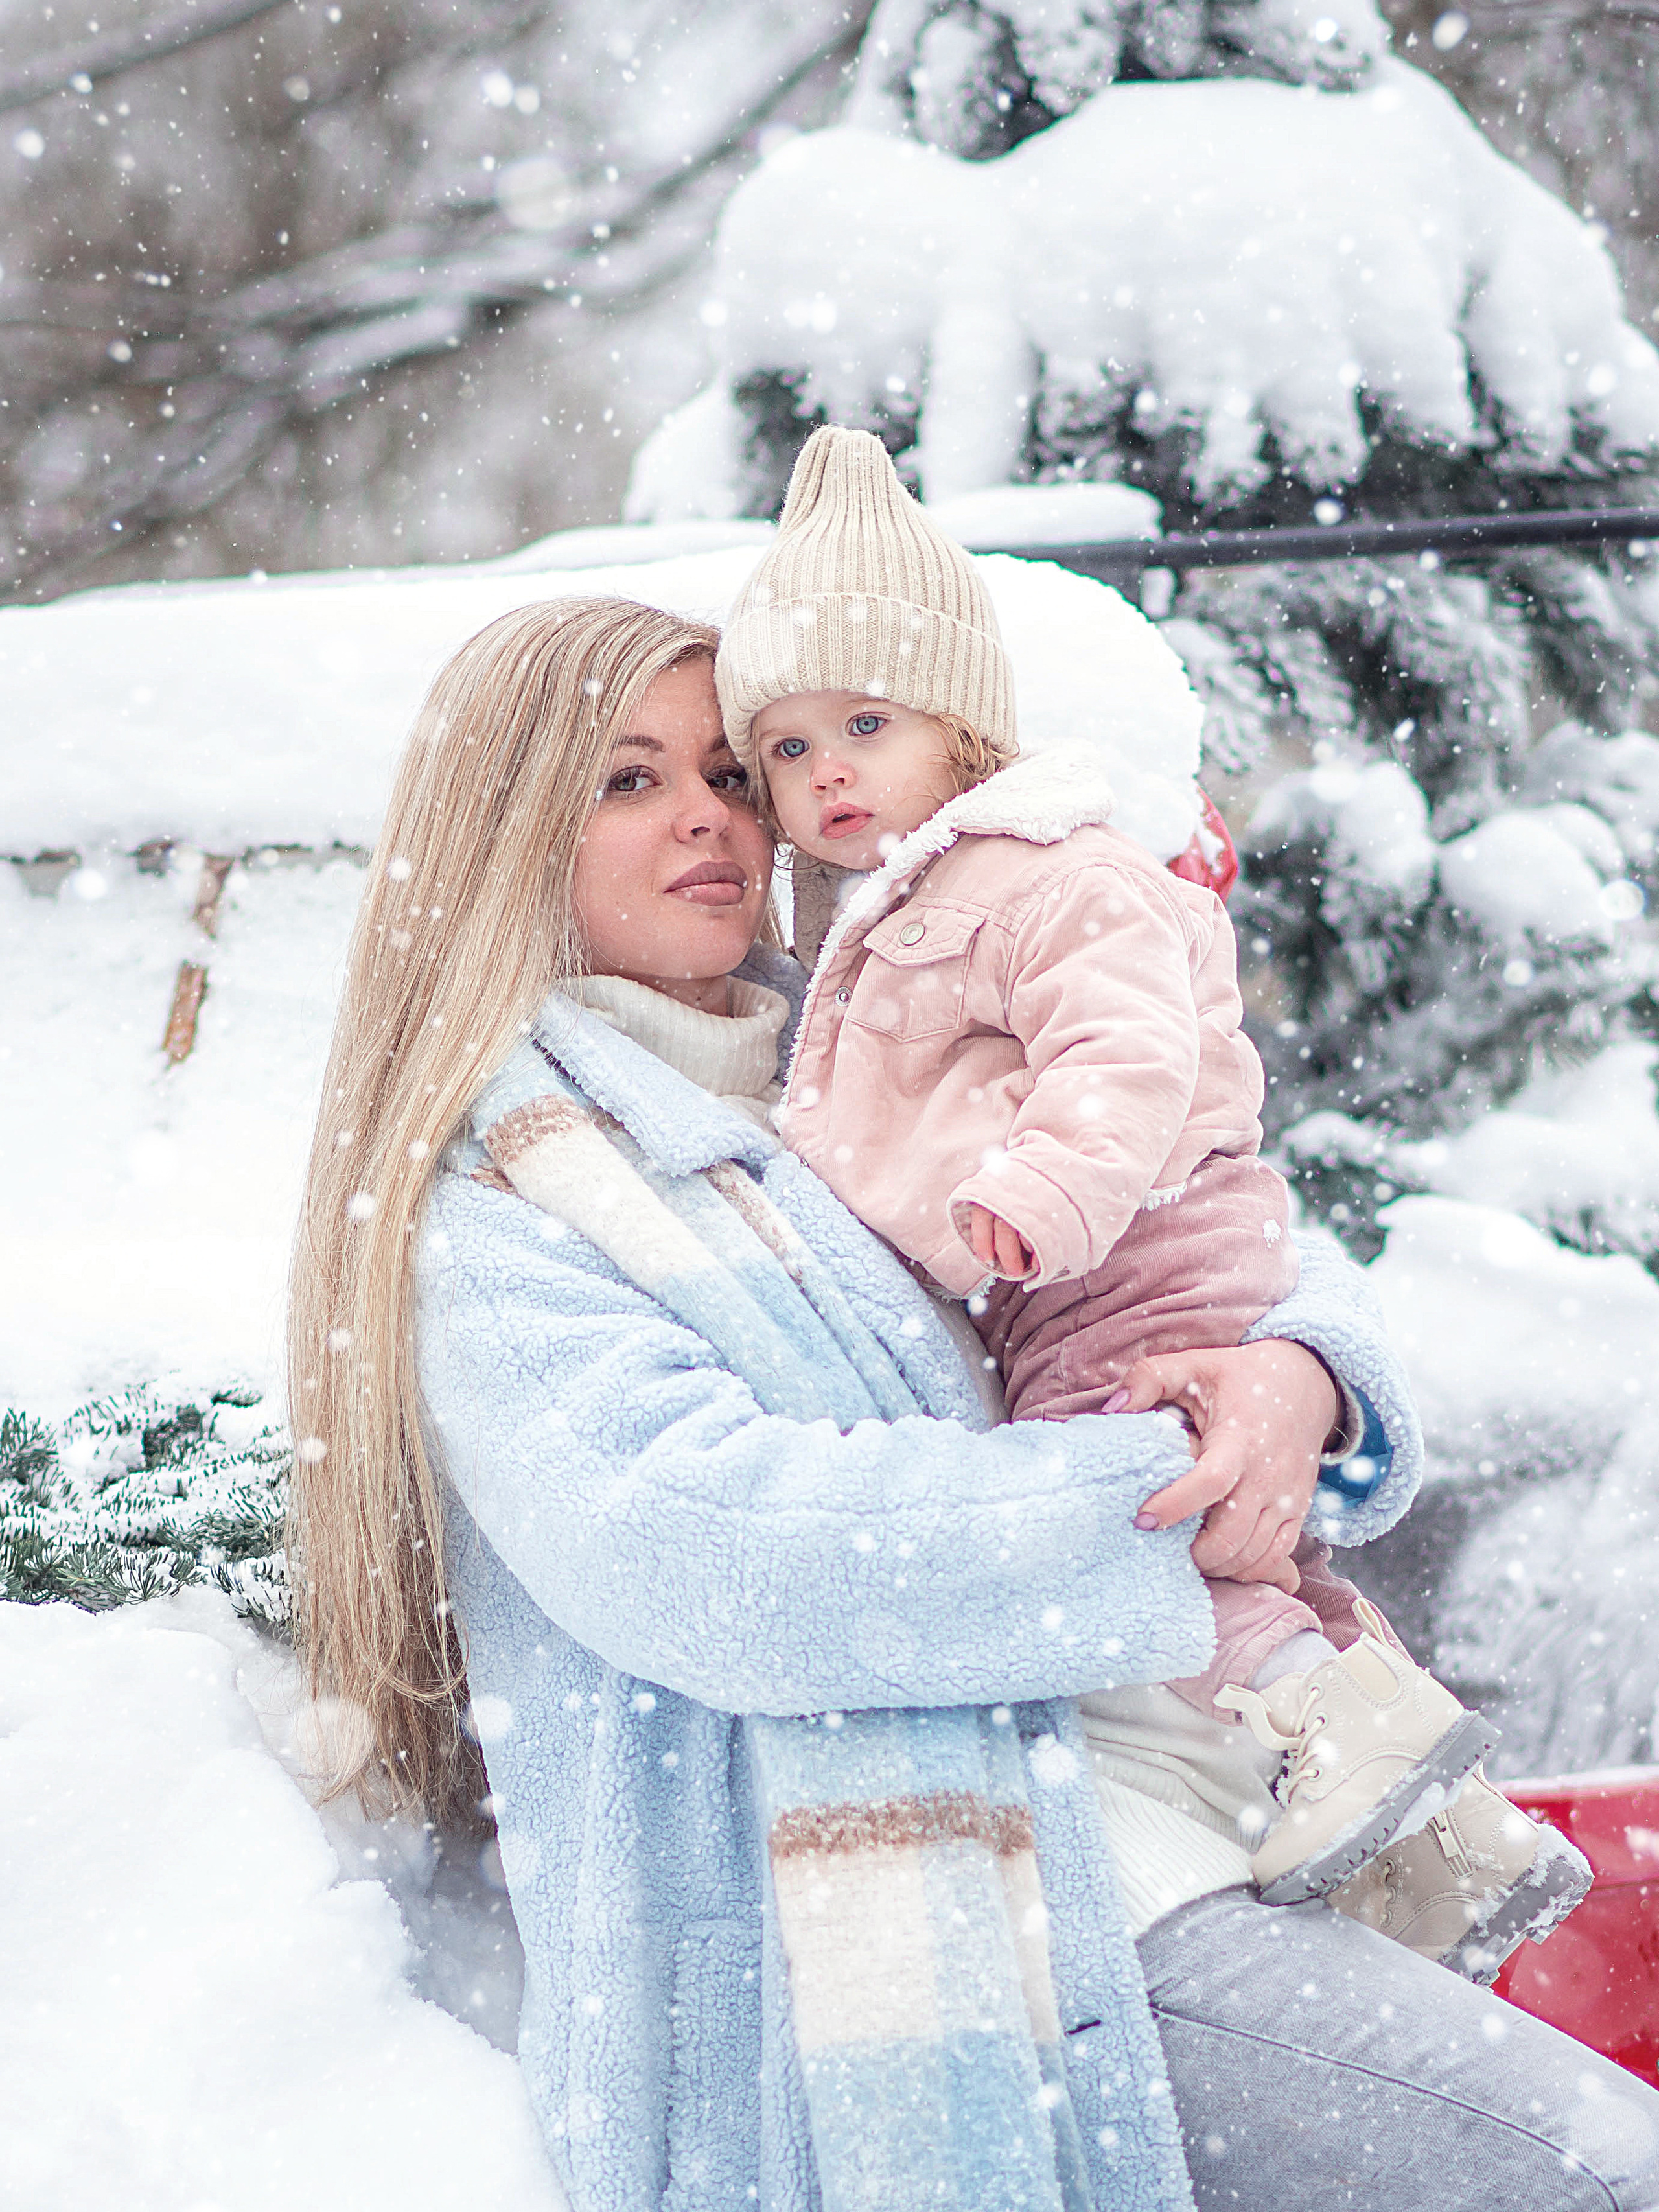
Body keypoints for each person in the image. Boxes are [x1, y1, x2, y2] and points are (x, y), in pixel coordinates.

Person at [286, 590, 1659, 2212]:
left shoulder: (863, 1045)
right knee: (1581, 2170)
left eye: (731, 772)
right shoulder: (499, 1205)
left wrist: (1293, 1381)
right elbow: (718, 1550)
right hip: (914, 1921)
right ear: (502, 825)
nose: (709, 819)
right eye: (625, 779)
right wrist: (1165, 1496)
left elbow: (1184, 1199)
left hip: (1143, 1804)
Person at [716, 424, 1585, 1947]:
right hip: (1109, 1259)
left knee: (1139, 1518)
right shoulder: (899, 906)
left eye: (865, 721)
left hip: (1127, 1257)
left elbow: (1122, 1054)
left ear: (960, 731)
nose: (827, 770)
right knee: (1248, 1538)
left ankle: (1325, 1742)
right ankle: (1435, 1821)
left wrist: (1040, 1197)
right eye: (788, 749)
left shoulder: (1041, 870)